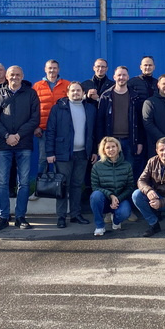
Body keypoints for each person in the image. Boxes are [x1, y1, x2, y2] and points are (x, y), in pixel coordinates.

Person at [0, 65, 40, 231]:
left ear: (22, 76)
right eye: (12, 75)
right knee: (2, 182)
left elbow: (35, 118)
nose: (15, 77)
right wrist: (6, 136)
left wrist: (18, 135)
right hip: (3, 145)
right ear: (6, 77)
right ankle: (3, 217)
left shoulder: (31, 94)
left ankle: (20, 217)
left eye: (18, 75)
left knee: (23, 182)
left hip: (24, 144)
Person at [45, 81, 97, 228]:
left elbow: (93, 132)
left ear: (83, 93)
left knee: (77, 185)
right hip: (63, 153)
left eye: (78, 90)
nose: (76, 93)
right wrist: (50, 152)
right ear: (67, 93)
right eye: (73, 91)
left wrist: (93, 151)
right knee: (62, 185)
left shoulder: (90, 109)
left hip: (83, 153)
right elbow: (50, 131)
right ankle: (61, 216)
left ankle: (75, 214)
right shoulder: (58, 108)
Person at [96, 66, 145, 169]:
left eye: (124, 75)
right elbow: (100, 121)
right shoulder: (106, 96)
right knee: (111, 170)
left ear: (128, 77)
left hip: (130, 141)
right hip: (111, 141)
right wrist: (100, 142)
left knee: (129, 170)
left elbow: (140, 122)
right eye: (119, 75)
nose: (121, 77)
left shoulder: (135, 97)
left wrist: (140, 142)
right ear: (114, 77)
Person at [33, 59, 71, 184]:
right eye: (50, 68)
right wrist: (36, 126)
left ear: (58, 70)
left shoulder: (67, 85)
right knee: (43, 159)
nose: (52, 70)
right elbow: (33, 108)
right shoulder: (37, 86)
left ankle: (58, 187)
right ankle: (41, 188)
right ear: (45, 69)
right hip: (43, 129)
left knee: (59, 160)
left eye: (54, 68)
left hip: (62, 130)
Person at [90, 137, 134, 236]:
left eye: (113, 146)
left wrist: (118, 198)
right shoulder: (97, 166)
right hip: (104, 200)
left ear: (118, 148)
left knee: (125, 212)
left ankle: (116, 221)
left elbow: (130, 187)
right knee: (95, 196)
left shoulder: (127, 165)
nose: (111, 150)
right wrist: (110, 195)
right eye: (108, 147)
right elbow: (95, 187)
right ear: (103, 150)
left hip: (120, 200)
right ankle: (100, 226)